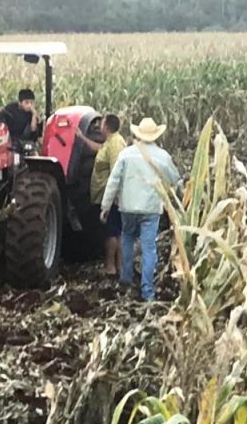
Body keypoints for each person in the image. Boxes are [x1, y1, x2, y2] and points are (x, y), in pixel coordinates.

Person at [100, 117, 180, 302]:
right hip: (151, 208)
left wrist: (105, 206)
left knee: (127, 239)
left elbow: (113, 182)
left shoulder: (126, 154)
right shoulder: (163, 156)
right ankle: (147, 291)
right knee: (149, 247)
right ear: (155, 135)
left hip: (127, 207)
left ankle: (126, 280)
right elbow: (175, 179)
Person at [76, 114, 126, 275]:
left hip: (111, 197)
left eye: (101, 125)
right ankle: (119, 267)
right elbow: (98, 149)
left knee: (112, 232)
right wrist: (82, 138)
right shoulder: (109, 143)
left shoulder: (116, 144)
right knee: (114, 231)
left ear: (106, 127)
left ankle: (112, 267)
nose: (99, 128)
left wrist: (111, 198)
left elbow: (117, 172)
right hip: (105, 196)